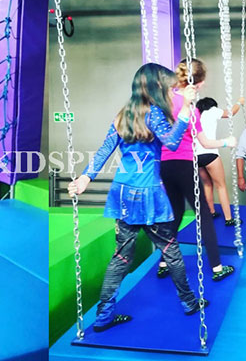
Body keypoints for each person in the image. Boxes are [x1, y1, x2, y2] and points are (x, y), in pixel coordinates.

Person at [68, 63, 208, 333]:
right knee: (171, 251)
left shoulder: (122, 115)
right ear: (157, 87)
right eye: (167, 88)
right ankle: (190, 302)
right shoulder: (154, 113)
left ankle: (103, 316)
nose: (170, 92)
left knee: (121, 257)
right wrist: (186, 111)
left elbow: (105, 149)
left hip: (122, 193)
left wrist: (86, 177)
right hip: (148, 194)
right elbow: (172, 143)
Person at [158, 59, 237, 282]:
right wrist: (227, 141)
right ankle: (217, 268)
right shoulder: (191, 110)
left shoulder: (164, 101)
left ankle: (163, 263)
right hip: (184, 164)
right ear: (198, 83)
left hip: (165, 166)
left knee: (175, 214)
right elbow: (205, 142)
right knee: (203, 216)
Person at [194, 96, 244, 226]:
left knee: (207, 184)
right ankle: (229, 218)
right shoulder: (213, 110)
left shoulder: (196, 115)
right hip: (210, 153)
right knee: (221, 186)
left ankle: (211, 212)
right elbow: (231, 112)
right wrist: (239, 102)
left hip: (196, 156)